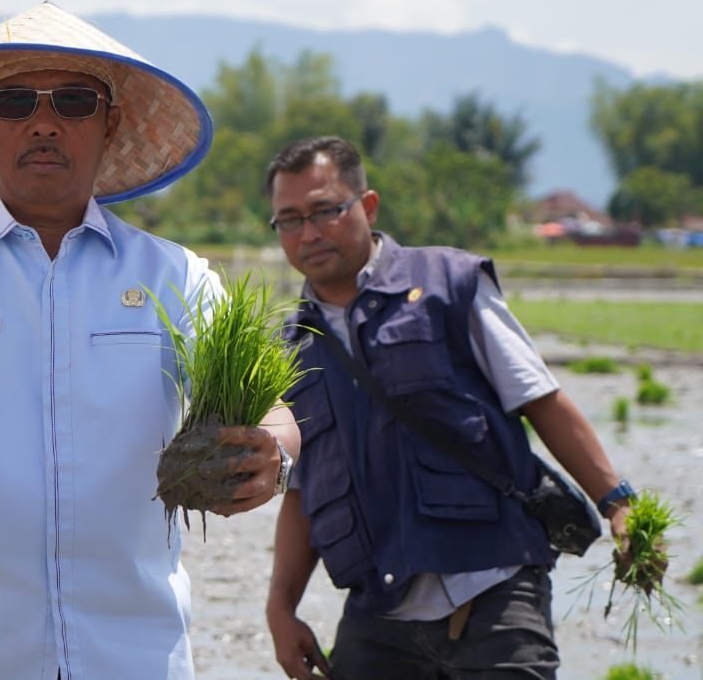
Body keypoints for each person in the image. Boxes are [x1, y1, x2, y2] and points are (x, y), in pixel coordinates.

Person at [0, 1, 301, 680]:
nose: (44, 122)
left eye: (74, 101)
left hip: (132, 658)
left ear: (110, 124)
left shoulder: (175, 277)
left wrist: (272, 456)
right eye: (14, 101)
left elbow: (274, 412)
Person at [263, 135, 648, 680]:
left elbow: (541, 399)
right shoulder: (293, 346)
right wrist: (281, 606)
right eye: (289, 220)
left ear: (367, 206)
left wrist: (618, 504)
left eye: (325, 211)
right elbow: (304, 489)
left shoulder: (449, 284)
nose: (309, 233)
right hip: (379, 612)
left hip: (493, 588)